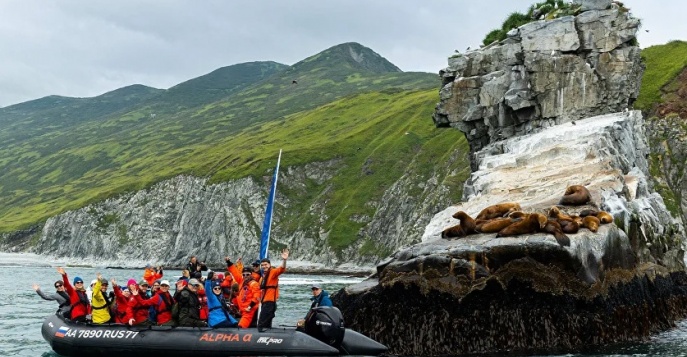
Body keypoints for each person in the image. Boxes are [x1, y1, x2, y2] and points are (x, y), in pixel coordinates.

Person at [257, 248, 289, 331]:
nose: (264, 266)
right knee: (266, 322)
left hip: (270, 302)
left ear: (269, 265)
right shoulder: (262, 278)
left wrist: (284, 260)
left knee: (261, 323)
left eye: (266, 264)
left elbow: (282, 269)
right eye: (262, 265)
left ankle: (262, 334)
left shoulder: (273, 272)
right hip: (265, 302)